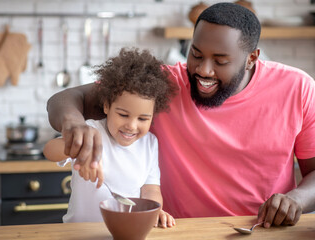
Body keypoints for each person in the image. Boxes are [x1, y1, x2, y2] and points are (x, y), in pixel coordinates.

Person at [46, 2, 315, 229]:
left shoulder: (298, 89)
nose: (203, 70)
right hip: (181, 232)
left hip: (259, 230)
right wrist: (73, 123)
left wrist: (296, 199)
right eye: (196, 54)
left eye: (220, 61)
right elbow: (66, 99)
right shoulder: (163, 85)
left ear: (251, 58)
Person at [43, 47, 177, 227]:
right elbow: (49, 151)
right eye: (123, 115)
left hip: (124, 232)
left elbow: (150, 188)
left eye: (143, 118)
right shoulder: (90, 131)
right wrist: (78, 146)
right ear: (106, 106)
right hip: (78, 233)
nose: (131, 125)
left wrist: (154, 210)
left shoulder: (150, 144)